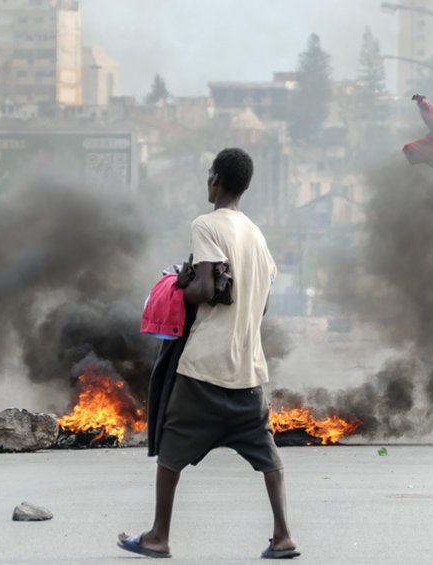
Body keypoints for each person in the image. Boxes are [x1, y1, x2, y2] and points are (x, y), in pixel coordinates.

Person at [118, 148, 299, 559]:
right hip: (249, 370)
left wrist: (177, 284)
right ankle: (284, 534)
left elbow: (204, 289)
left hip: (204, 367)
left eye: (209, 176)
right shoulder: (256, 234)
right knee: (266, 455)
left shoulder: (206, 225)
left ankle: (159, 536)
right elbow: (262, 301)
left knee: (171, 449)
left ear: (216, 180)